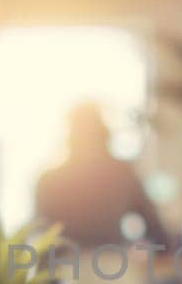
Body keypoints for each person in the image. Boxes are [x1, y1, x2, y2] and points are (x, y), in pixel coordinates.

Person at [35, 103, 171, 249]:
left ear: (69, 136)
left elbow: (40, 237)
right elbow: (158, 234)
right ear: (103, 131)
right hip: (110, 265)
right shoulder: (122, 174)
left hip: (62, 264)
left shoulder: (48, 181)